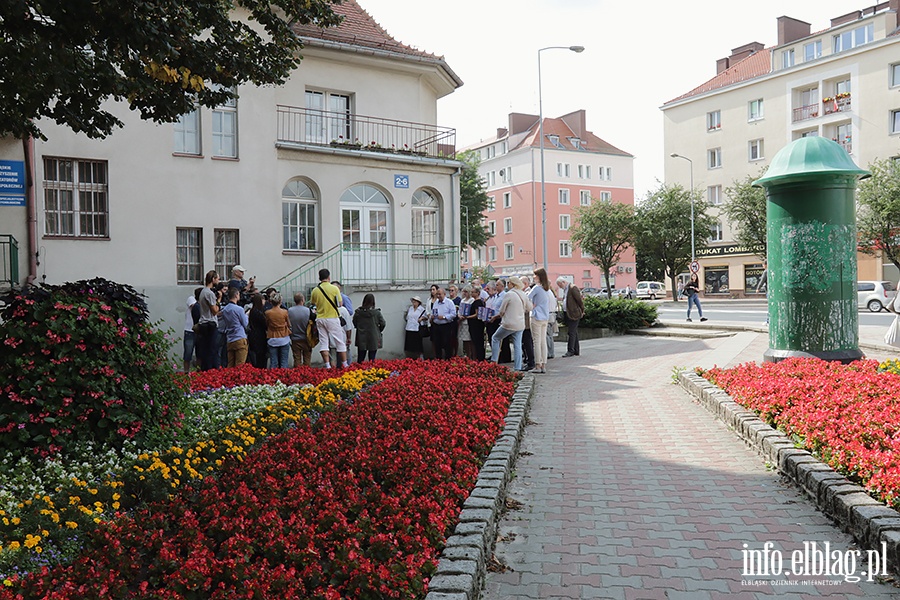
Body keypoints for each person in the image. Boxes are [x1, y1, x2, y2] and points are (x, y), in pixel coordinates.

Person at [491, 276, 532, 371]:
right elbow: (530, 308)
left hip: (508, 323)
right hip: (520, 324)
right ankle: (518, 367)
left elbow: (501, 310)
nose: (507, 284)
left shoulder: (509, 294)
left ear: (512, 284)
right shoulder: (523, 294)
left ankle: (494, 361)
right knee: (517, 345)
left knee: (495, 338)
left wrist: (503, 314)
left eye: (509, 283)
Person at [310, 268, 348, 369]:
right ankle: (345, 364)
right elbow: (340, 304)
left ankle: (327, 365)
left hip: (320, 318)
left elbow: (313, 303)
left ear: (319, 277)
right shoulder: (334, 289)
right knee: (339, 341)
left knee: (324, 342)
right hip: (332, 318)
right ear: (329, 277)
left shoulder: (315, 290)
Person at [196, 270, 224, 371]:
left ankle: (206, 368)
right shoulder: (209, 293)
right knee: (212, 349)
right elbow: (214, 311)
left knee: (206, 348)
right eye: (217, 278)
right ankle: (211, 369)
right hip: (210, 323)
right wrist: (219, 300)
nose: (218, 280)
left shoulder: (203, 292)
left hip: (204, 322)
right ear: (213, 279)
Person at [530, 268, 554, 374]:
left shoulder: (536, 288)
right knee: (543, 341)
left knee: (536, 342)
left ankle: (537, 365)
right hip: (545, 317)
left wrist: (532, 306)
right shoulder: (546, 289)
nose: (534, 277)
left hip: (536, 316)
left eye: (535, 275)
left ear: (539, 277)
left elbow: (527, 298)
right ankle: (543, 364)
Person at [220, 287, 249, 367]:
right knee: (240, 364)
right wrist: (246, 315)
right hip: (239, 337)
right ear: (236, 295)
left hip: (229, 338)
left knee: (230, 364)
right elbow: (245, 323)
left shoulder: (225, 309)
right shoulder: (239, 309)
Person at [353, 293, 386, 362]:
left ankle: (359, 371)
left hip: (361, 336)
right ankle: (371, 371)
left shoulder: (358, 312)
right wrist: (378, 330)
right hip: (374, 336)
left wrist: (359, 328)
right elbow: (383, 323)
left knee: (360, 358)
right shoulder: (376, 313)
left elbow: (354, 322)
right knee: (372, 358)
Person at [557, 277, 584, 357]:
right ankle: (576, 350)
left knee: (571, 332)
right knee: (573, 332)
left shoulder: (572, 287)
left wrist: (582, 310)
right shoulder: (566, 289)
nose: (560, 287)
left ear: (563, 282)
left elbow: (579, 300)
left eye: (560, 285)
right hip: (568, 313)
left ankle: (570, 350)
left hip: (574, 313)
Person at [430, 286, 457, 360]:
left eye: (440, 294)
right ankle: (439, 359)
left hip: (446, 325)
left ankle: (448, 359)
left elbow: (453, 314)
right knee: (437, 343)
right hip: (436, 325)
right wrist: (432, 317)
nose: (438, 296)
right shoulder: (436, 302)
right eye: (437, 294)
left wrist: (444, 317)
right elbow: (433, 311)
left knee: (447, 343)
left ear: (444, 294)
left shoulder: (449, 302)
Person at [265, 293, 291, 368]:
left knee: (273, 362)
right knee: (284, 362)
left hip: (272, 338)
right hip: (284, 337)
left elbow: (267, 324)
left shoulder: (267, 313)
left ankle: (273, 378)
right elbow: (289, 324)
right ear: (280, 301)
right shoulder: (285, 312)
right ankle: (284, 378)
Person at [288, 292, 312, 367]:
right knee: (307, 358)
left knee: (297, 358)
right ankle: (307, 374)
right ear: (302, 300)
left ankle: (297, 374)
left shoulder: (290, 311)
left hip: (295, 338)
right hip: (306, 338)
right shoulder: (308, 310)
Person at [247, 293, 269, 369]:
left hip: (254, 335)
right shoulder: (258, 312)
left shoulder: (252, 311)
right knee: (261, 356)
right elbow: (265, 324)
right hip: (259, 336)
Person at [182, 288, 200, 372]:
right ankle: (186, 371)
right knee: (188, 354)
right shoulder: (191, 299)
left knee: (200, 354)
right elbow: (194, 306)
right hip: (190, 330)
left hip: (200, 332)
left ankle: (199, 372)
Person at [520, 275, 535, 371]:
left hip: (526, 321)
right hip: (523, 321)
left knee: (527, 341)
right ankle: (527, 359)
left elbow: (528, 307)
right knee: (524, 342)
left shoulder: (528, 293)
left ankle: (530, 361)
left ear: (525, 284)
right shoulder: (524, 292)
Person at [468, 285, 487, 361]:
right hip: (474, 324)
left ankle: (480, 357)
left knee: (478, 341)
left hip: (476, 325)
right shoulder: (476, 301)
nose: (471, 294)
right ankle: (477, 356)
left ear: (478, 293)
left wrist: (468, 317)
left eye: (473, 292)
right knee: (475, 341)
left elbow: (477, 314)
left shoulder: (478, 302)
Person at [458, 286, 476, 359]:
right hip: (462, 321)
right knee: (464, 340)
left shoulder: (472, 300)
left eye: (466, 292)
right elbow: (459, 310)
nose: (464, 293)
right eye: (463, 292)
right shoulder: (462, 300)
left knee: (469, 340)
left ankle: (471, 354)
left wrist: (466, 316)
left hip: (468, 322)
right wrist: (459, 316)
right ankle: (467, 354)